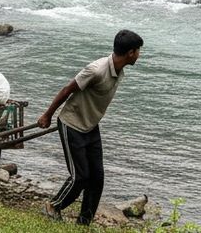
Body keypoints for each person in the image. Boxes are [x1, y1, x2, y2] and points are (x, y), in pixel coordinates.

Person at [37, 29, 144, 225]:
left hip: (91, 126)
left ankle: (84, 221)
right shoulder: (96, 70)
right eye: (138, 50)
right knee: (80, 177)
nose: (140, 54)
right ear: (130, 53)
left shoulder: (119, 70)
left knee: (97, 177)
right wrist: (48, 115)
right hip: (72, 124)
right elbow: (67, 90)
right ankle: (52, 206)